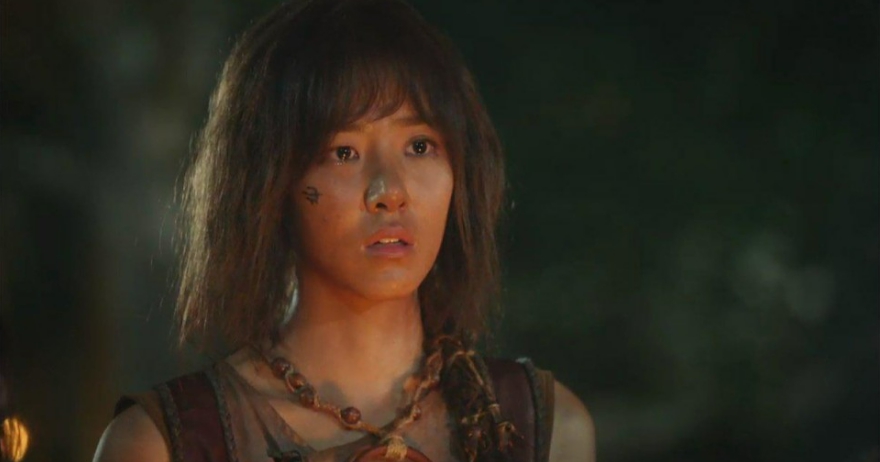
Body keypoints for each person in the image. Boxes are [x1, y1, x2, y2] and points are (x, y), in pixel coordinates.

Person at [93, 0, 595, 460]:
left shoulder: (538, 428)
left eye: (419, 146)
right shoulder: (168, 443)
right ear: (271, 183)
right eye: (344, 152)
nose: (389, 191)